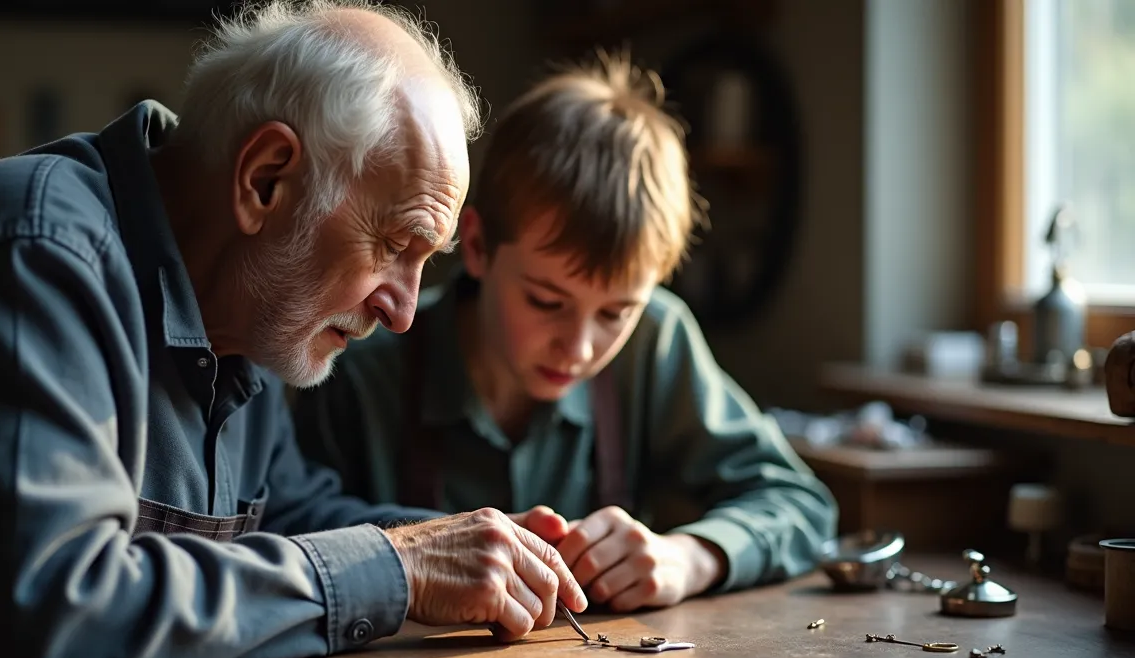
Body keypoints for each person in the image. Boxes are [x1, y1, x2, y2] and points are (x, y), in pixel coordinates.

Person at [0, 2, 589, 658]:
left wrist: (502, 553)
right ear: (266, 179)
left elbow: (289, 518)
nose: (403, 311)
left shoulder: (243, 309)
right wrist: (398, 568)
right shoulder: (29, 259)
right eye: (395, 244)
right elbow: (56, 620)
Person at [292, 52, 839, 613]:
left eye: (614, 314)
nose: (579, 350)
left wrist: (689, 556)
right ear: (477, 247)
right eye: (546, 301)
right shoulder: (358, 366)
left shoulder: (655, 339)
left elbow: (798, 502)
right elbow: (297, 530)